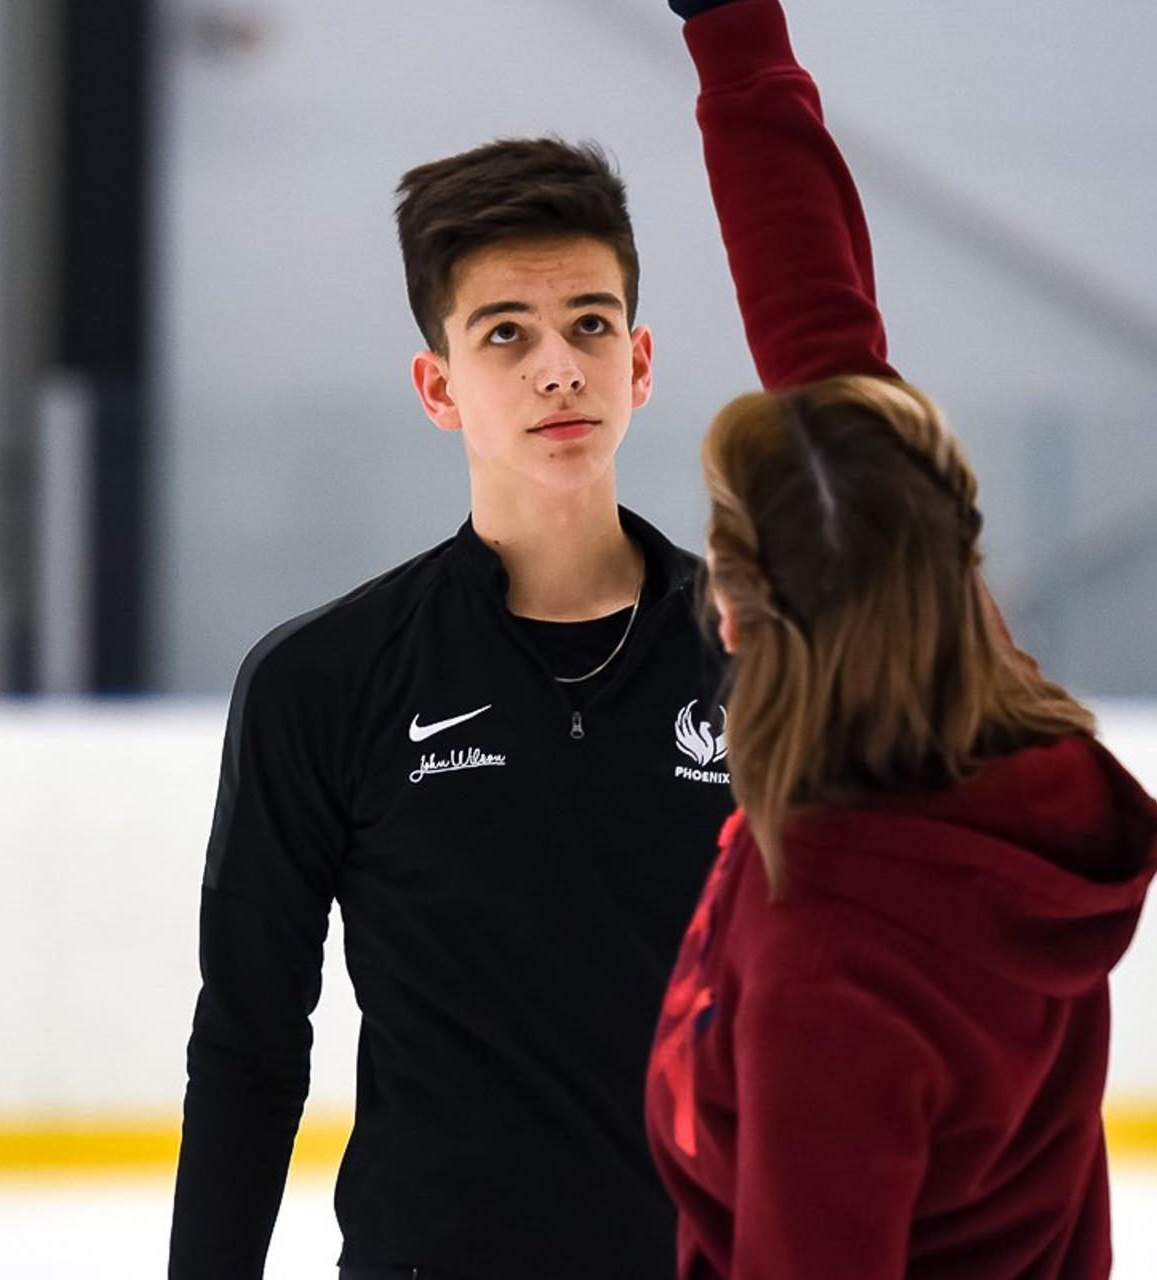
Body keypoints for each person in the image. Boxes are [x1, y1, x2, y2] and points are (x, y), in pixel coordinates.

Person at [646, 2, 1157, 1277]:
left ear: (736, 608)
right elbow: (820, 327)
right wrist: (729, 29)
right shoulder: (982, 713)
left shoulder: (829, 971)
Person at [168, 137, 735, 1279]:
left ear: (640, 359)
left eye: (588, 322)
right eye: (504, 334)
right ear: (438, 387)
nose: (558, 368)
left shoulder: (760, 659)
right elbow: (247, 1041)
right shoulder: (321, 682)